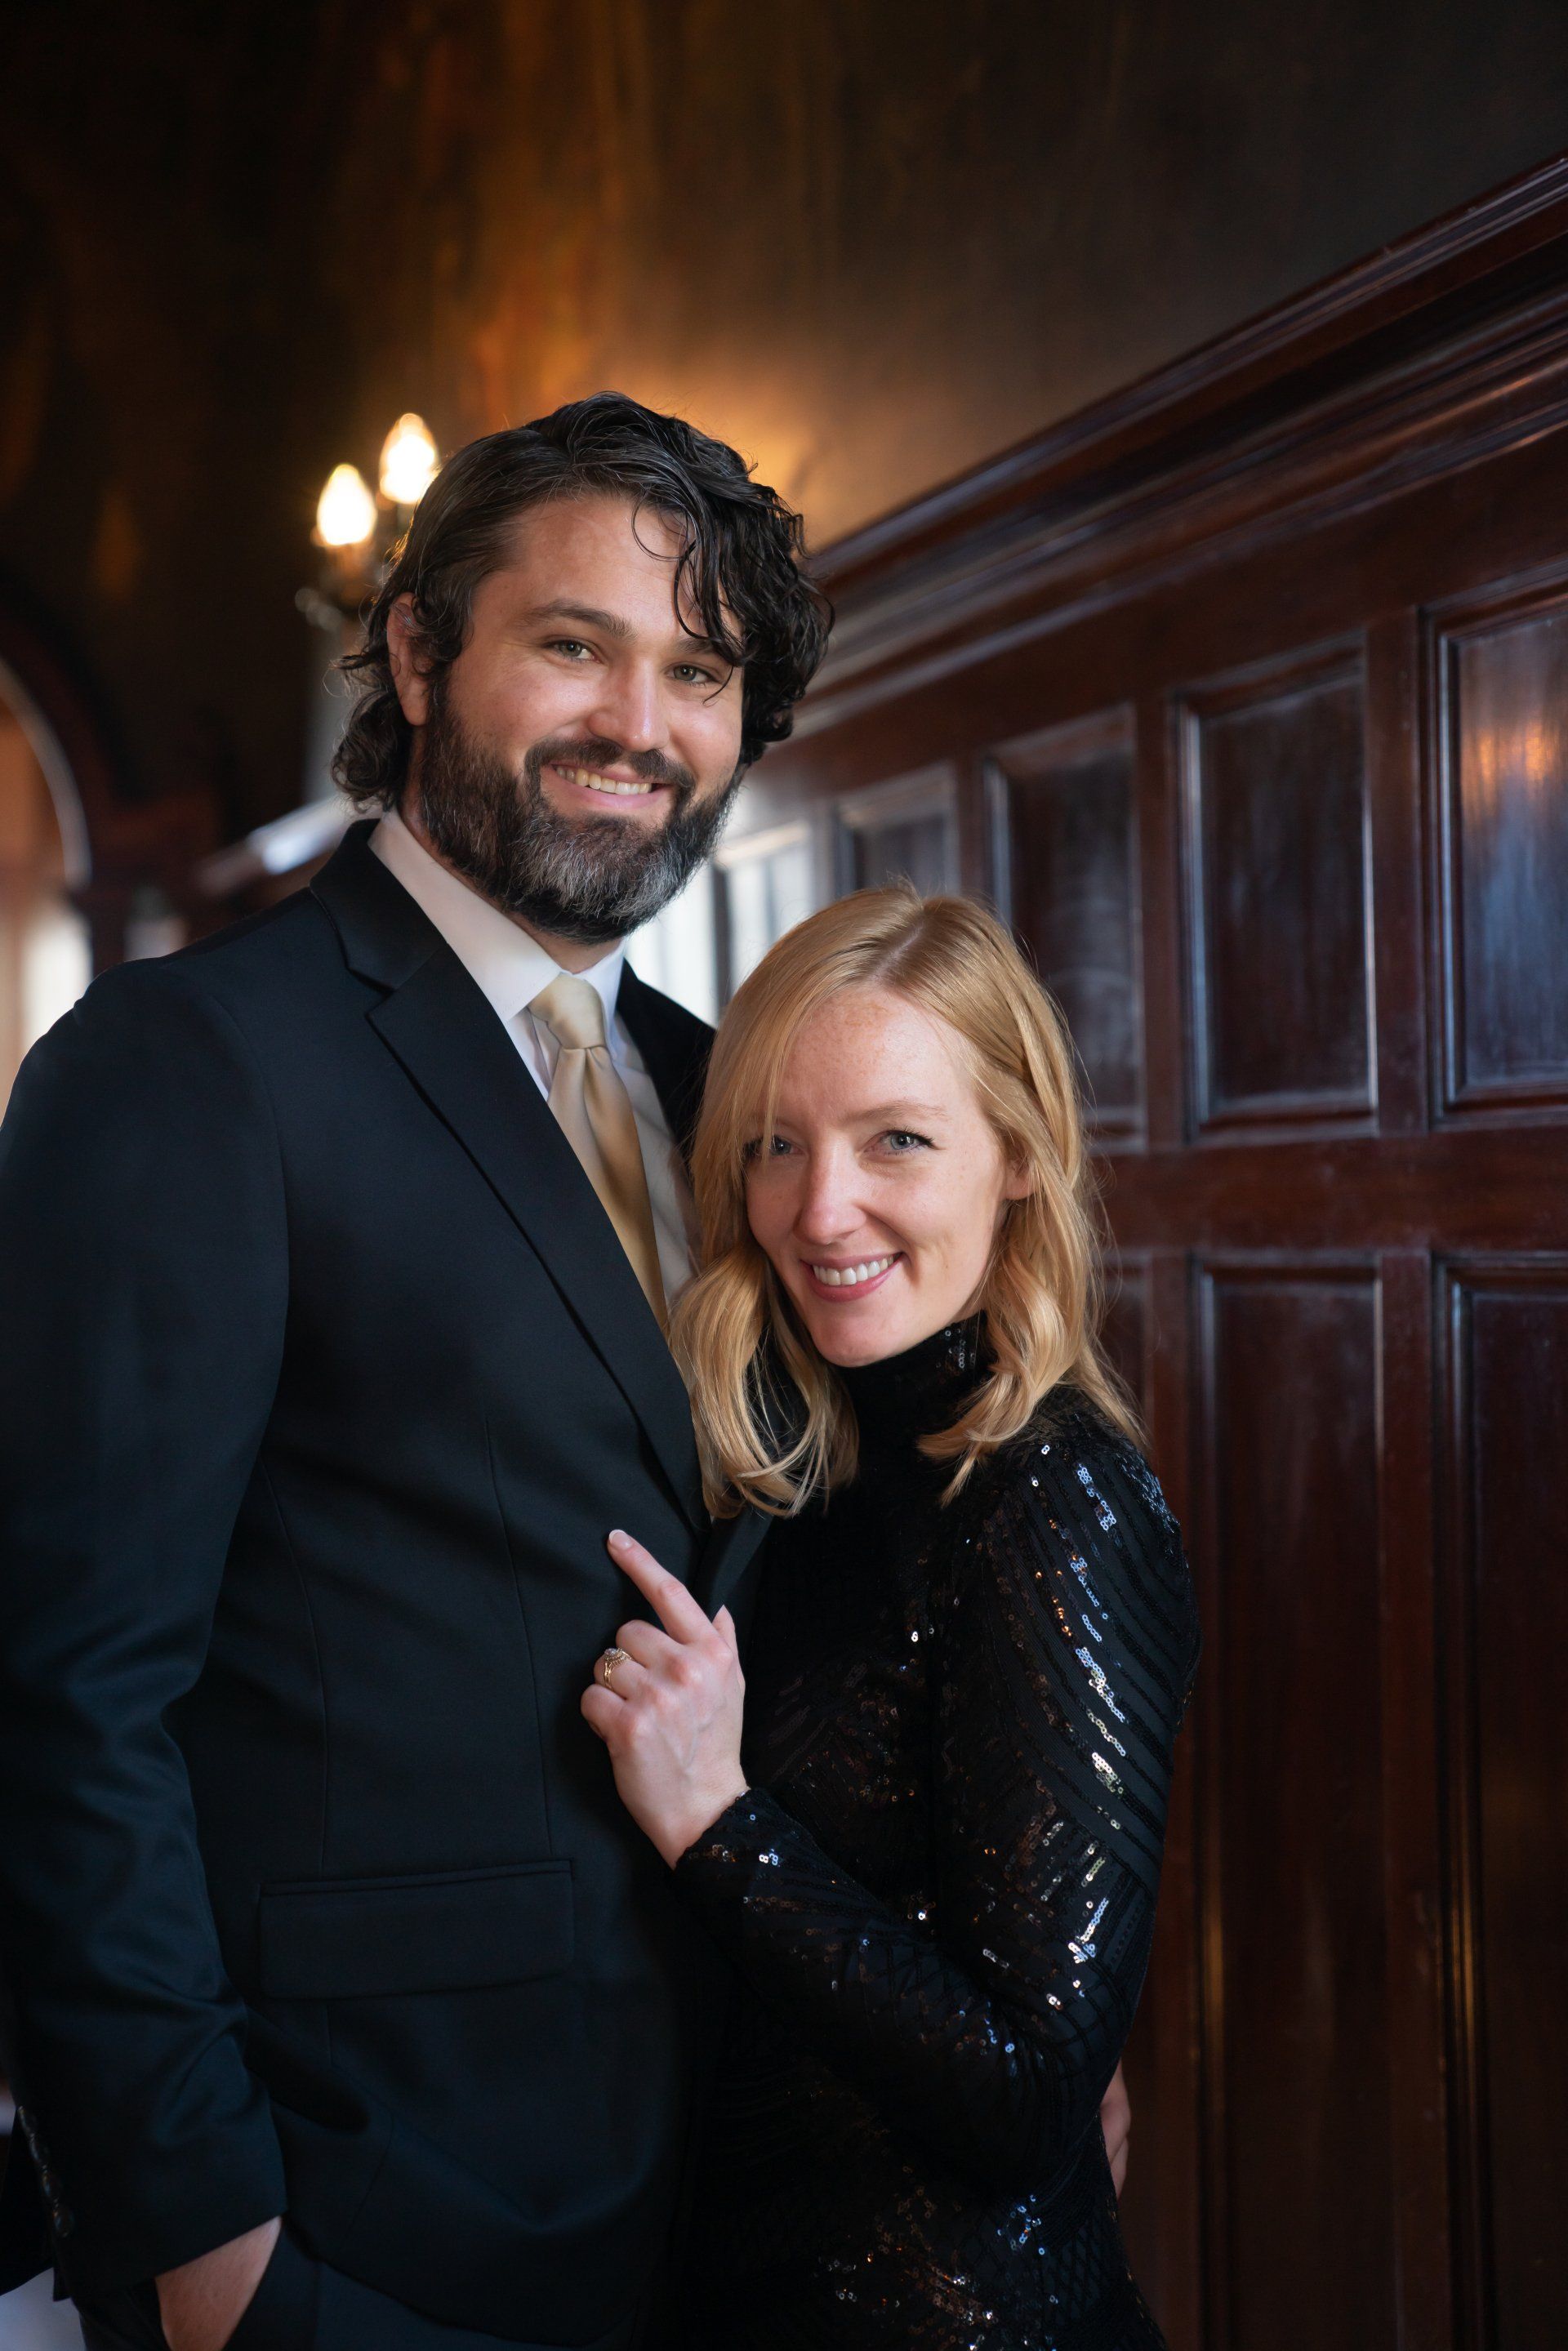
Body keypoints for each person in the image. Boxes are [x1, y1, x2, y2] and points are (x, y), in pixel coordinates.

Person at [0, 392, 831, 2351]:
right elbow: (63, 1702)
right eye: (576, 644)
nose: (641, 722)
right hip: (354, 2206)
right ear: (419, 648)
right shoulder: (184, 1064)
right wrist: (204, 2243)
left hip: (739, 2187)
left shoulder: (734, 1097)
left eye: (700, 672)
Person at [581, 888, 1200, 2349]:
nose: (819, 1210)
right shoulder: (819, 1448)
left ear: (1021, 1157)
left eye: (896, 1141)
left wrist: (717, 1824)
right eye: (776, 1144)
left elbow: (1031, 2095)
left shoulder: (1055, 1496)